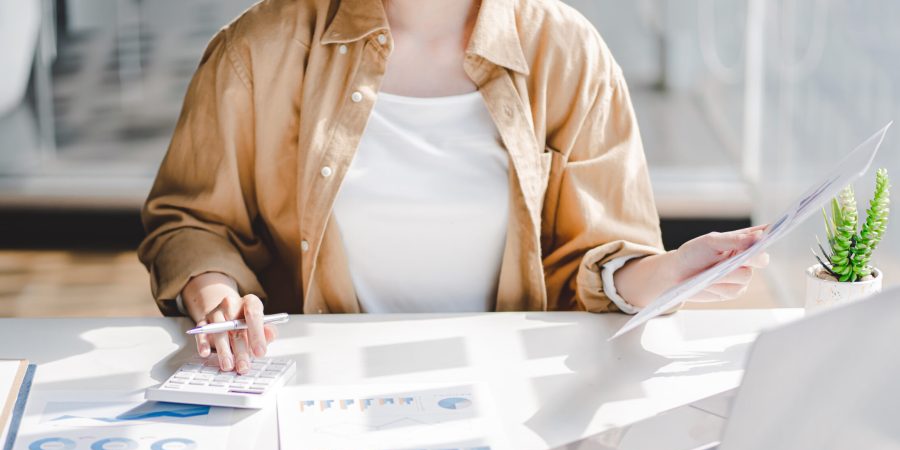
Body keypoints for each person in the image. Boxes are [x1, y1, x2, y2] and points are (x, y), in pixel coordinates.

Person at [139, 0, 768, 375]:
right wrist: (214, 287)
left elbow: (595, 261)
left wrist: (667, 274)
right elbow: (190, 222)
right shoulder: (259, 48)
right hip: (312, 386)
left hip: (509, 388)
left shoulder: (568, 51)